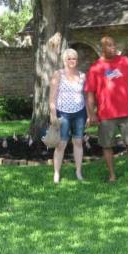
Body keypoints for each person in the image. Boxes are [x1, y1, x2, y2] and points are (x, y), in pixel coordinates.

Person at [85, 36, 128, 183]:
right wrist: (91, 114)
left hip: (127, 111)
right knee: (107, 145)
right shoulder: (95, 68)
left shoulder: (125, 62)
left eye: (114, 44)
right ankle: (112, 175)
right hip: (106, 114)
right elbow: (90, 93)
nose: (113, 47)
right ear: (102, 48)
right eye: (109, 45)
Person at [49, 48, 87, 183]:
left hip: (79, 113)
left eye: (74, 58)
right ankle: (57, 173)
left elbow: (85, 96)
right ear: (64, 60)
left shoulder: (82, 75)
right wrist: (53, 114)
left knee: (78, 142)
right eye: (69, 58)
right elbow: (52, 97)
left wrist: (88, 114)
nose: (72, 61)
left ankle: (78, 172)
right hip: (63, 113)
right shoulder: (58, 74)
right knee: (61, 144)